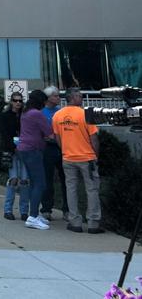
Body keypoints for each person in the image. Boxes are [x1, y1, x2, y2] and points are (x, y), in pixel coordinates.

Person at [52, 88, 103, 234]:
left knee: (71, 189)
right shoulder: (85, 114)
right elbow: (93, 137)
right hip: (87, 157)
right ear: (73, 97)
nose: (82, 98)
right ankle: (93, 222)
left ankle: (75, 221)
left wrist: (66, 150)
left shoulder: (57, 115)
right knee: (92, 189)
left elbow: (58, 138)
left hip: (68, 157)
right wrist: (96, 155)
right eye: (80, 96)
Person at [17, 89, 54, 230]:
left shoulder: (26, 112)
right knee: (40, 183)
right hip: (33, 150)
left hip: (24, 148)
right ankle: (32, 216)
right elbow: (49, 133)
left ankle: (33, 214)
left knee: (34, 182)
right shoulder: (37, 114)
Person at [40, 86, 68, 222]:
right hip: (47, 148)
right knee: (47, 179)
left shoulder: (61, 113)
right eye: (56, 96)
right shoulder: (41, 113)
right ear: (49, 98)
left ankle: (67, 209)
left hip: (62, 148)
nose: (59, 98)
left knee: (67, 179)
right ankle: (46, 208)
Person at [0, 92, 29, 221]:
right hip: (12, 150)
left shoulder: (25, 115)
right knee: (13, 179)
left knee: (24, 181)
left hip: (24, 150)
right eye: (15, 100)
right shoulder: (5, 116)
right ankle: (8, 210)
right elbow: (4, 134)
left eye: (20, 101)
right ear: (11, 101)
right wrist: (11, 147)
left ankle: (24, 211)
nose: (18, 103)